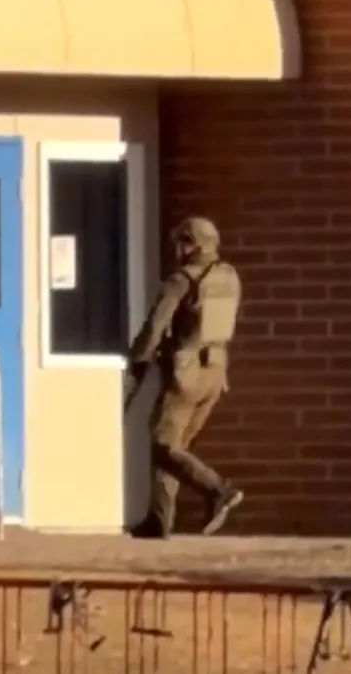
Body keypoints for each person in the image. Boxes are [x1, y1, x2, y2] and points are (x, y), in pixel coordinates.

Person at [126, 216, 244, 539]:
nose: (177, 250)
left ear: (194, 245)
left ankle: (219, 489)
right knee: (177, 448)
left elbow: (153, 328)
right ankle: (159, 519)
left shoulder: (182, 280)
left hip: (186, 373)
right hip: (216, 372)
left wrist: (136, 367)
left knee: (164, 445)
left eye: (182, 242)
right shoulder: (229, 277)